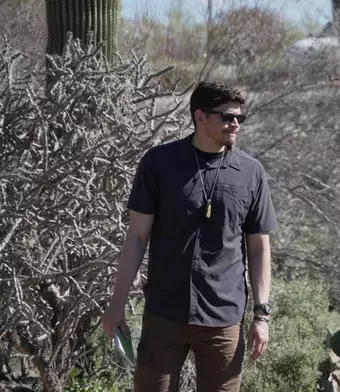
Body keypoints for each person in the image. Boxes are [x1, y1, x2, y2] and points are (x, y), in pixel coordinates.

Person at [101, 81, 278, 392]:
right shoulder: (159, 163)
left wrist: (261, 315)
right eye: (226, 116)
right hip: (164, 313)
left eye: (239, 118)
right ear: (200, 116)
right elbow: (137, 237)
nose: (234, 124)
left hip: (224, 318)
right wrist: (117, 303)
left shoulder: (251, 173)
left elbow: (259, 248)